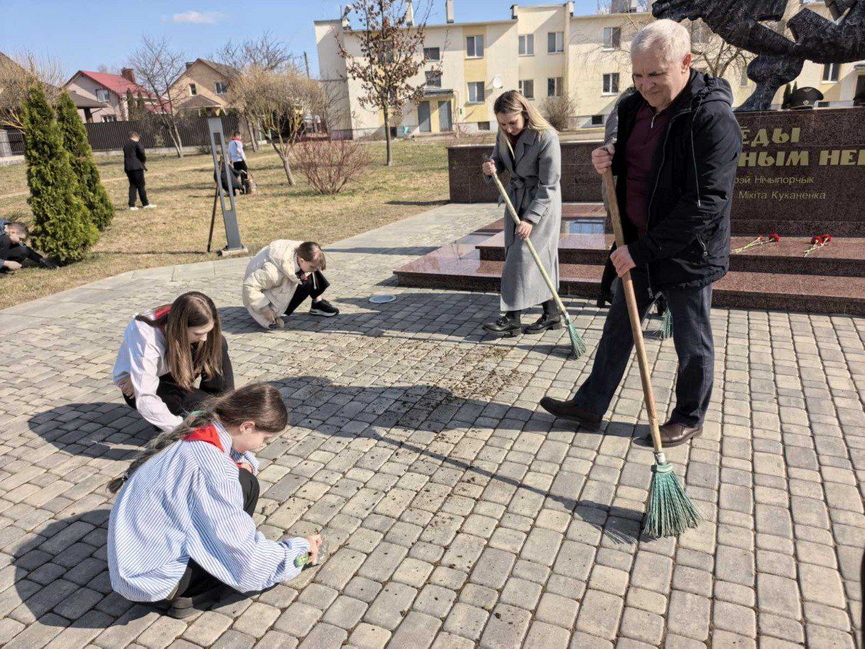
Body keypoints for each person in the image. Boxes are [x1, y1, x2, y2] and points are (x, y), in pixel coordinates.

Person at [540, 19, 741, 448]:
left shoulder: (712, 119)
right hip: (637, 242)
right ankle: (591, 404)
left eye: (655, 74)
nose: (644, 85)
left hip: (688, 250)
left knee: (692, 338)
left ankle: (689, 415)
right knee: (619, 326)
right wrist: (608, 157)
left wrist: (644, 249)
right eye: (637, 74)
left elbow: (707, 204)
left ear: (686, 63)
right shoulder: (633, 105)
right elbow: (629, 160)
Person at [107, 383, 323, 618]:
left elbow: (237, 459)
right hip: (153, 581)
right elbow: (244, 553)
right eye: (265, 438)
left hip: (135, 563)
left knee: (244, 480)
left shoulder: (202, 427)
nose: (262, 445)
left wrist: (242, 464)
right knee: (233, 524)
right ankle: (185, 594)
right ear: (247, 426)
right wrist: (297, 552)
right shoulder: (212, 469)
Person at [480, 90, 563, 337]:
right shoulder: (504, 133)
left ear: (524, 114)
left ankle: (512, 318)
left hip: (541, 205)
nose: (508, 129)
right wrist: (489, 168)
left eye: (512, 123)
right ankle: (552, 314)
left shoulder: (546, 137)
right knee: (532, 258)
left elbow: (549, 185)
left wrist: (530, 218)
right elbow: (500, 160)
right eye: (502, 124)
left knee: (520, 256)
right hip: (515, 200)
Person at [114, 291, 235, 433]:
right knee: (204, 408)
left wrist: (227, 409)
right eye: (198, 333)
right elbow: (145, 396)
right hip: (143, 386)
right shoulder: (147, 338)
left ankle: (223, 407)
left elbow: (206, 339)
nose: (204, 338)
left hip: (176, 367)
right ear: (180, 328)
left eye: (207, 331)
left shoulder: (186, 314)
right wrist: (180, 429)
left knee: (218, 342)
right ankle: (172, 415)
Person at [242, 240, 339, 329]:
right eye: (312, 266)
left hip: (275, 278)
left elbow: (312, 265)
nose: (315, 270)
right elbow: (249, 286)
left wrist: (312, 268)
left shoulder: (303, 252)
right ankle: (279, 311)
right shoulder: (273, 272)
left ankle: (317, 303)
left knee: (310, 273)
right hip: (259, 294)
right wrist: (265, 308)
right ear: (301, 260)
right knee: (306, 280)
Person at [123, 131, 154, 210]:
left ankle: (132, 205)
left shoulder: (125, 145)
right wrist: (143, 161)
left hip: (128, 167)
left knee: (133, 185)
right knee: (141, 185)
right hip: (137, 167)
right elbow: (142, 154)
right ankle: (145, 203)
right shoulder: (137, 144)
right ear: (136, 137)